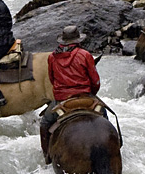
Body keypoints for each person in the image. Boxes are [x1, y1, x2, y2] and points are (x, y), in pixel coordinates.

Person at [39, 26, 101, 162]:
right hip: (85, 96)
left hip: (62, 100)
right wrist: (92, 94)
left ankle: (47, 157)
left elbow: (52, 79)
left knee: (44, 124)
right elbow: (95, 81)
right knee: (105, 118)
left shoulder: (52, 57)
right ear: (78, 40)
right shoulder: (85, 55)